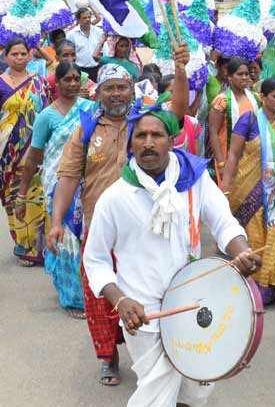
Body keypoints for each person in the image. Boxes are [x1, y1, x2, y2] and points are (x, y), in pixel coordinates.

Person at [82, 95, 261, 407]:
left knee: (183, 394)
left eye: (155, 134)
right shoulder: (116, 197)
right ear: (131, 145)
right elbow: (95, 260)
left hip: (196, 305)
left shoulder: (195, 181)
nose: (147, 142)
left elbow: (225, 223)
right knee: (159, 401)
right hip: (144, 317)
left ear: (171, 140)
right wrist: (120, 299)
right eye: (139, 136)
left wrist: (241, 252)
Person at [48, 49, 190, 387]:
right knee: (99, 297)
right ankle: (107, 356)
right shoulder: (85, 127)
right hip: (97, 227)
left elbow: (180, 111)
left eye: (122, 87)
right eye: (109, 88)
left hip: (143, 229)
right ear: (97, 92)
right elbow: (68, 175)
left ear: (132, 90)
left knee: (146, 289)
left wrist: (181, 70)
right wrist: (56, 222)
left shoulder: (146, 125)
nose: (116, 94)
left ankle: (156, 350)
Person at [16, 62, 95, 317]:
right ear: (57, 83)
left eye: (76, 79)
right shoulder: (47, 116)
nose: (72, 84)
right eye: (67, 79)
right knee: (67, 238)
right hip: (56, 184)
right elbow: (34, 157)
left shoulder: (91, 110)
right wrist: (21, 194)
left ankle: (93, 289)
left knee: (88, 236)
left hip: (88, 182)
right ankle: (73, 298)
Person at [220, 78, 275, 305]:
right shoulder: (250, 120)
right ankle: (253, 289)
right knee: (254, 238)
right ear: (262, 97)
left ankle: (274, 286)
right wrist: (225, 188)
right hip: (248, 191)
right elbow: (233, 155)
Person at [0, 38, 50, 266]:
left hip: (37, 148)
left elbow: (47, 112)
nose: (19, 58)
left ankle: (42, 246)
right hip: (8, 151)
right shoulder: (0, 83)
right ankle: (25, 244)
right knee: (14, 197)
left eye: (23, 54)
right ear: (5, 56)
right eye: (14, 54)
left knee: (37, 195)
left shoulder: (39, 82)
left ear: (30, 55)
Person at [208, 57, 261, 178]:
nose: (244, 77)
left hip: (250, 157)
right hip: (226, 156)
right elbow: (213, 133)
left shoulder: (256, 99)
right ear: (230, 77)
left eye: (246, 74)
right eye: (240, 74)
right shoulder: (222, 101)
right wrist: (221, 163)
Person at [66, 8, 105, 81]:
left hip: (97, 68)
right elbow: (69, 53)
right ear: (78, 20)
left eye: (89, 17)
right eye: (84, 18)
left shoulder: (99, 31)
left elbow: (104, 50)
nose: (87, 19)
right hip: (81, 70)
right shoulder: (71, 34)